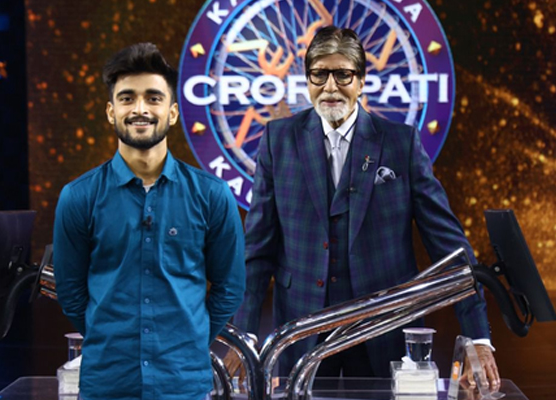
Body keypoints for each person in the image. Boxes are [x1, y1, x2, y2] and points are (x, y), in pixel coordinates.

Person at [231, 26, 500, 388]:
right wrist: (244, 339)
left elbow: (450, 247)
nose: (330, 87)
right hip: (301, 330)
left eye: (343, 74)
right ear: (307, 80)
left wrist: (477, 339)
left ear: (361, 81)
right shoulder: (277, 140)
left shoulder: (401, 143)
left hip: (386, 328)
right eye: (319, 74)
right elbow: (257, 252)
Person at [53, 42, 246, 400]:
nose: (140, 109)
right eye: (127, 98)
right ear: (111, 112)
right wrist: (110, 338)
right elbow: (70, 292)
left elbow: (230, 287)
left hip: (183, 385)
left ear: (172, 113)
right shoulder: (78, 197)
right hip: (107, 384)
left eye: (153, 98)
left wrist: (187, 338)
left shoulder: (212, 195)